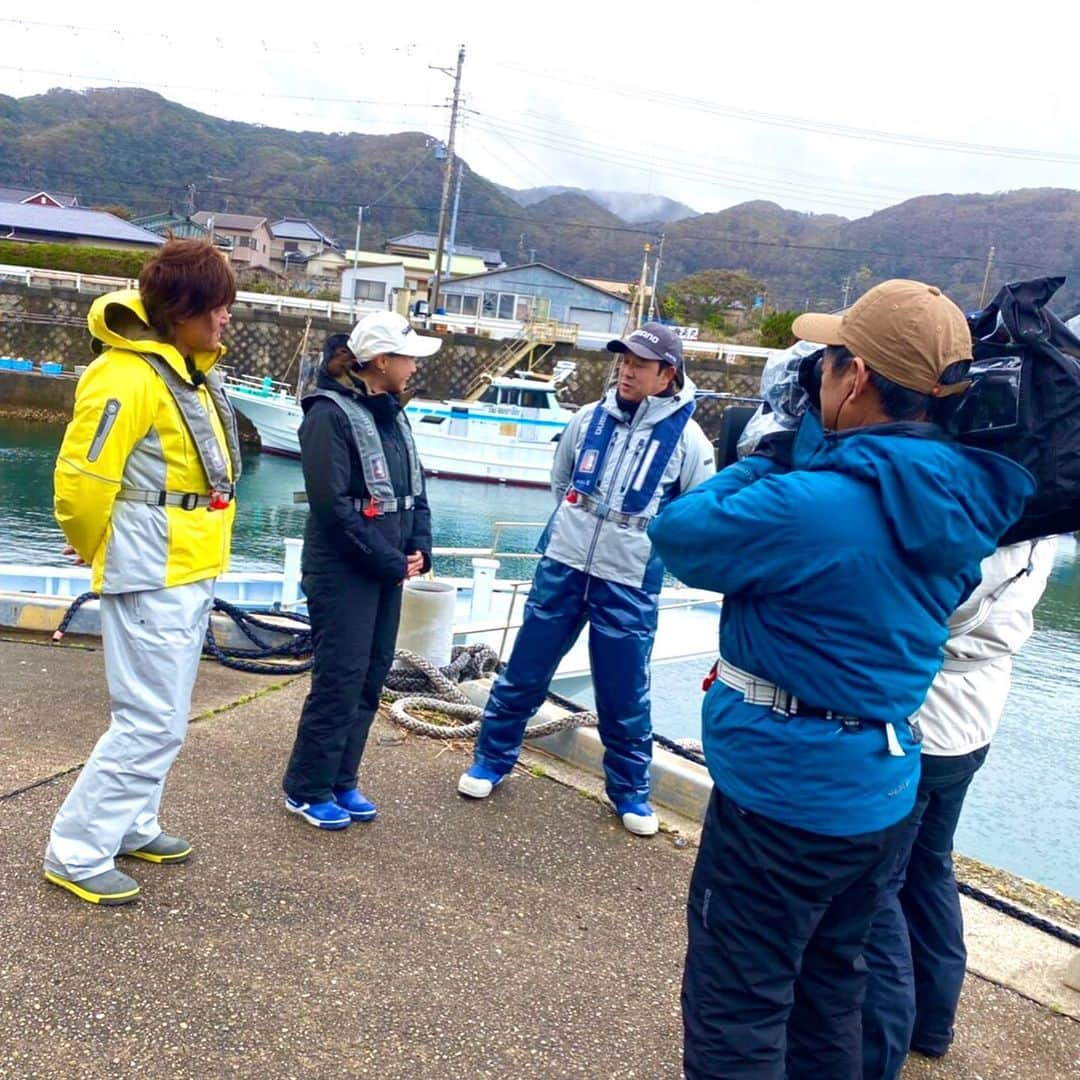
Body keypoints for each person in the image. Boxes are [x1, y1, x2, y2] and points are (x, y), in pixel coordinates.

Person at [647, 280, 1035, 1077]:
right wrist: (815, 449)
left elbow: (679, 535)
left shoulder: (810, 505)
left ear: (854, 377)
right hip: (882, 786)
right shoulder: (962, 500)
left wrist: (764, 450)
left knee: (739, 1006)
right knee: (832, 989)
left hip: (782, 798)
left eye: (825, 361)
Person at [457, 322, 716, 836]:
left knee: (624, 695)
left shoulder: (690, 442)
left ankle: (630, 794)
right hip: (565, 564)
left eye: (640, 364)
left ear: (667, 373)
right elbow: (560, 480)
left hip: (629, 579)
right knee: (525, 671)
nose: (626, 370)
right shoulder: (584, 420)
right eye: (623, 360)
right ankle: (490, 760)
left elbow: (693, 512)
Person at [44, 239, 241, 906]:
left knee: (164, 713)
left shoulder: (183, 369)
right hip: (152, 570)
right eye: (217, 307)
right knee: (151, 720)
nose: (226, 320)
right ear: (182, 309)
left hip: (189, 565)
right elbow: (81, 481)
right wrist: (92, 542)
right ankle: (76, 850)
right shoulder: (125, 376)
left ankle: (131, 823)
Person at [862, 536, 1056, 1078]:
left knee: (877, 887)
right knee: (930, 868)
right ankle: (932, 1023)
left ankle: (879, 1049)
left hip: (927, 721)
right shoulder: (1043, 534)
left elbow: (933, 612)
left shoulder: (987, 533)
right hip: (977, 717)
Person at [282, 312, 439, 829]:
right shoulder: (328, 415)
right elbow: (332, 507)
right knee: (340, 677)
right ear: (382, 361)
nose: (415, 366)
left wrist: (420, 547)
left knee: (372, 674)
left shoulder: (394, 415)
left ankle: (342, 779)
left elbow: (413, 493)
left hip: (384, 568)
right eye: (409, 357)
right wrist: (391, 558)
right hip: (341, 569)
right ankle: (306, 787)